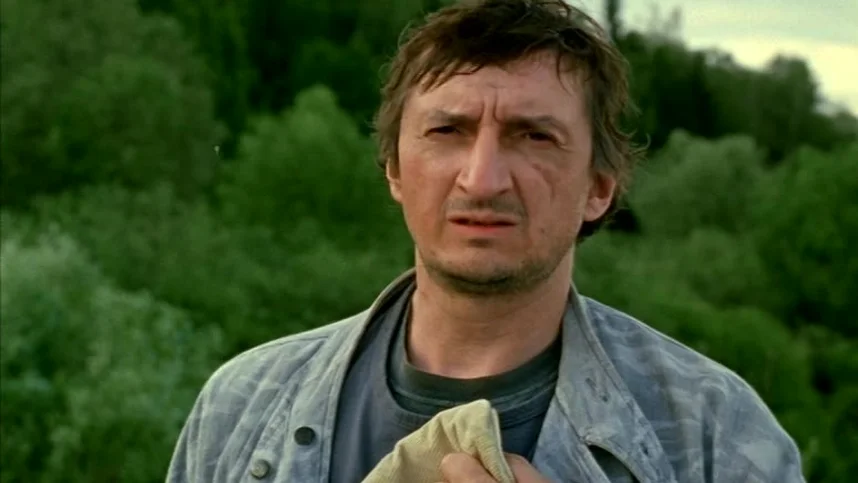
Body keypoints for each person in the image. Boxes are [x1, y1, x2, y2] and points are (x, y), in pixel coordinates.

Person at [166, 0, 805, 481]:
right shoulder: (245, 406)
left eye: (534, 136)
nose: (483, 178)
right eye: (447, 131)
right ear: (394, 169)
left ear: (598, 188)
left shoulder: (712, 433)